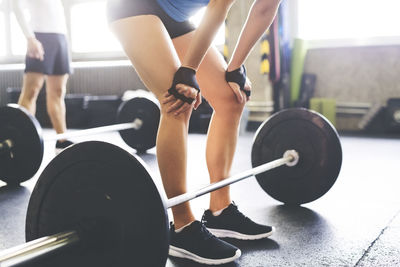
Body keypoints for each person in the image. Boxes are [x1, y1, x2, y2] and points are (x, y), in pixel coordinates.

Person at [107, 0, 281, 264]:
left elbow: (265, 8)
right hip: (134, 6)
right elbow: (218, 6)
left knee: (231, 99)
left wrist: (235, 68)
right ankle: (182, 226)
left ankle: (220, 210)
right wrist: (187, 72)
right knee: (178, 100)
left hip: (175, 14)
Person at [12, 0, 73, 153]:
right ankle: (20, 140)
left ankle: (62, 140)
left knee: (58, 92)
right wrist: (29, 38)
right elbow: (16, 5)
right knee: (31, 91)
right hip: (39, 36)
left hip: (60, 36)